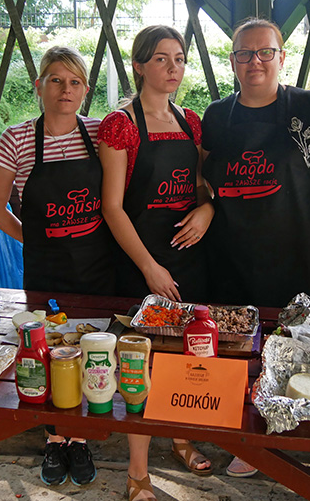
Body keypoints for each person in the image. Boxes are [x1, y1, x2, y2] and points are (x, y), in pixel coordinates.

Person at [201, 17, 310, 482]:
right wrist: (205, 206)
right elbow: (204, 177)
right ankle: (256, 442)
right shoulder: (217, 115)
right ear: (233, 61)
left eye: (266, 52)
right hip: (238, 255)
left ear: (282, 57)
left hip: (304, 252)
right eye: (245, 53)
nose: (255, 61)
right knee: (249, 354)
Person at [0, 45, 113, 488]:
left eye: (75, 81)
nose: (66, 89)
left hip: (98, 265)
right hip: (46, 268)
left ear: (85, 90)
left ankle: (80, 437)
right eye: (56, 80)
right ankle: (55, 439)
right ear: (39, 86)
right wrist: (38, 240)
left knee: (89, 349)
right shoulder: (17, 138)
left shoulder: (99, 132)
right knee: (46, 350)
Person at [98, 25, 214, 501]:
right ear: (140, 65)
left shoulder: (191, 121)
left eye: (180, 59)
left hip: (191, 259)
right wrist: (149, 268)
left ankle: (182, 437)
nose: (173, 68)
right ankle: (138, 471)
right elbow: (113, 207)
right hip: (141, 261)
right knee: (140, 363)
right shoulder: (120, 124)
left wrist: (208, 209)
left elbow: (205, 187)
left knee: (188, 354)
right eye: (162, 59)